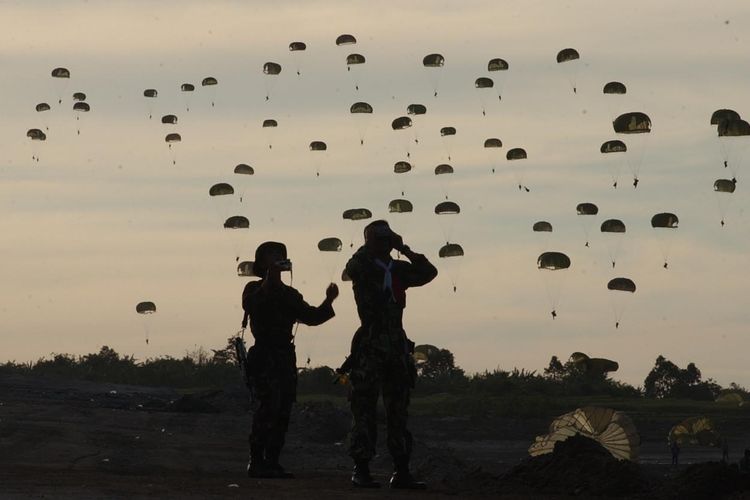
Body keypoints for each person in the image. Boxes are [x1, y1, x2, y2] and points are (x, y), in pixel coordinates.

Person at [342, 220, 438, 489]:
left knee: (398, 411)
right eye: (379, 239)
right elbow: (352, 266)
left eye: (387, 239)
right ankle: (361, 468)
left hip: (396, 345)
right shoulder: (363, 267)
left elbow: (429, 272)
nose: (384, 243)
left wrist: (404, 248)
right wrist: (369, 246)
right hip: (370, 344)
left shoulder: (397, 269)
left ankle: (402, 470)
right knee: (364, 410)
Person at [241, 241, 339, 479]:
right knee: (266, 408)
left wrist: (329, 300)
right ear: (261, 263)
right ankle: (256, 461)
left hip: (284, 357)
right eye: (270, 256)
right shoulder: (253, 288)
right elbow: (251, 304)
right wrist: (269, 281)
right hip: (264, 355)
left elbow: (312, 317)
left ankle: (272, 461)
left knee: (283, 410)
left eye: (279, 256)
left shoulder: (290, 294)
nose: (276, 260)